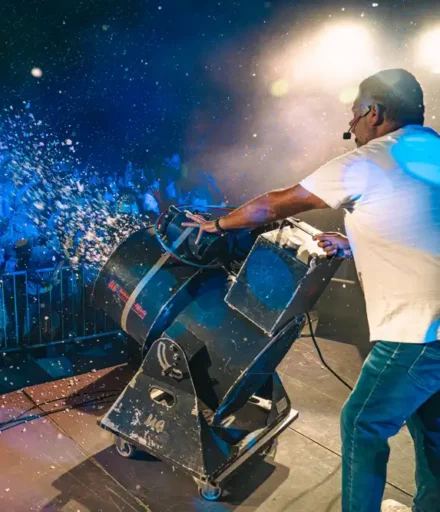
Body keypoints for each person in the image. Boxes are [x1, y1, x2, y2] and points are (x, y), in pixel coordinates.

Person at [185, 69, 439, 512]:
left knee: (362, 423)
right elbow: (418, 228)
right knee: (431, 424)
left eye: (353, 117)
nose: (352, 130)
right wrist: (352, 242)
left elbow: (275, 203)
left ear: (374, 112)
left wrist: (219, 224)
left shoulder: (371, 159)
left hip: (419, 330)